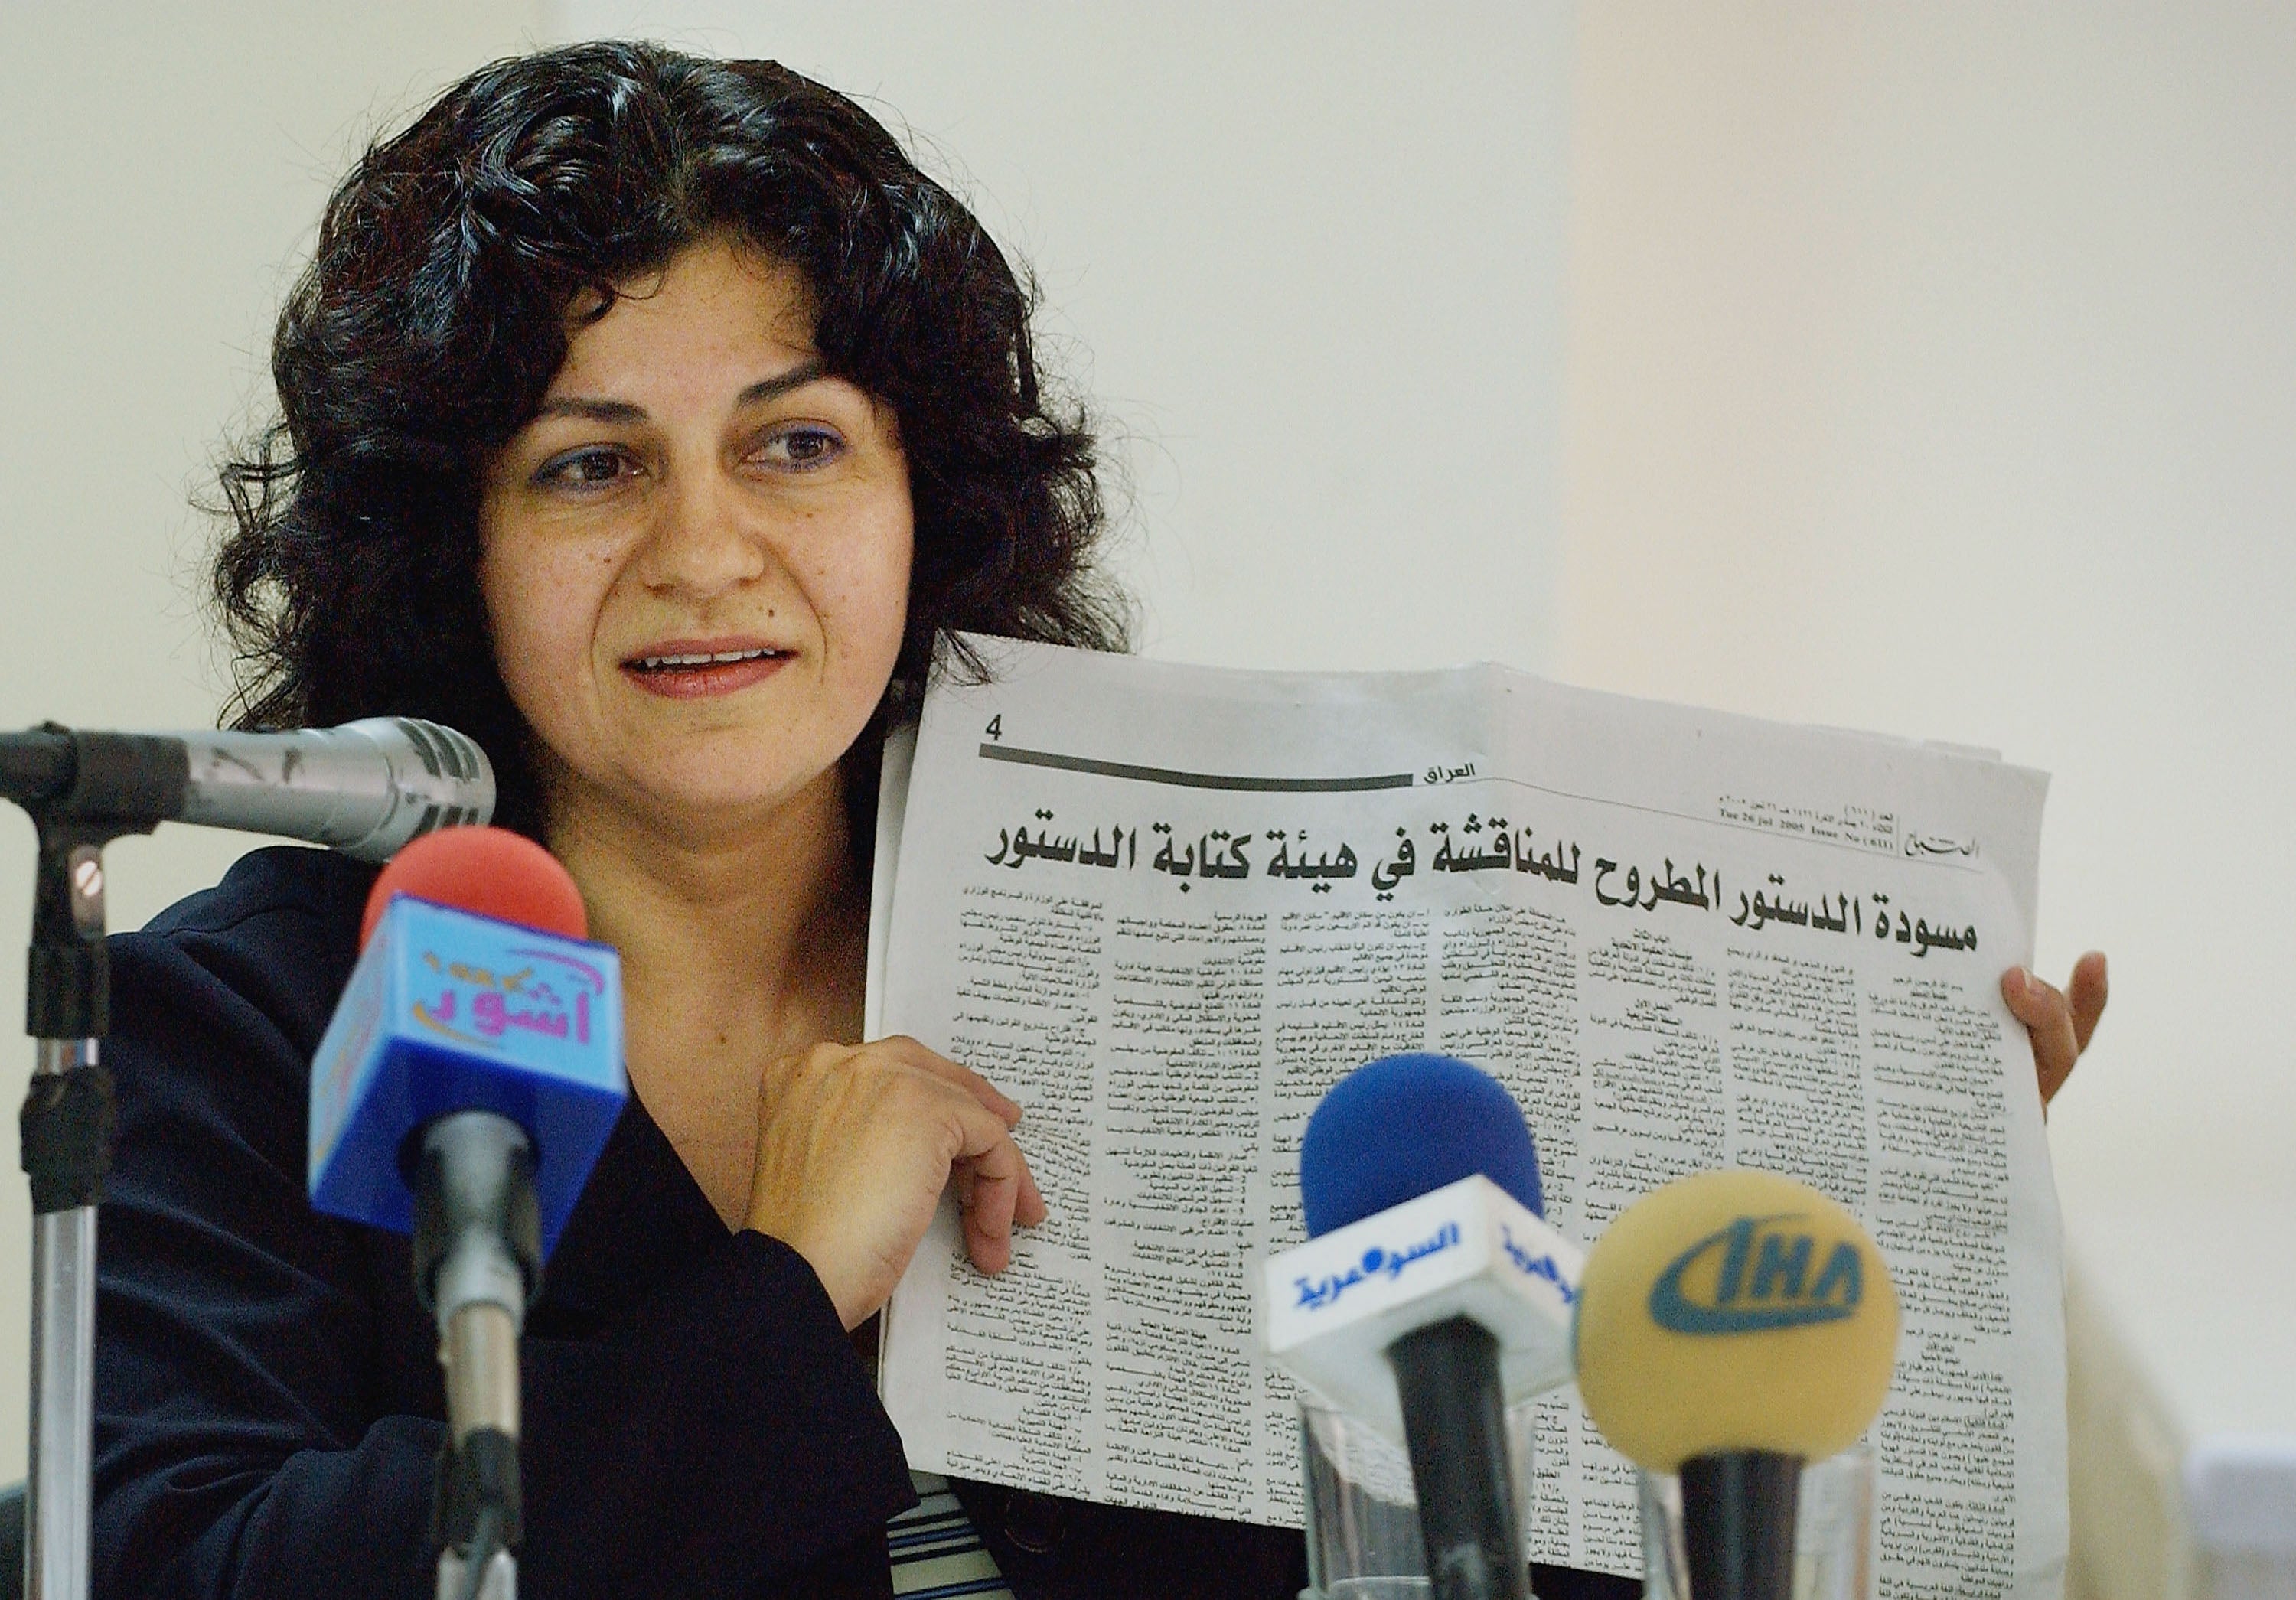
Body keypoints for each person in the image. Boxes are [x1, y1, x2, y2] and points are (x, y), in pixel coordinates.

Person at [86, 40, 2108, 1600]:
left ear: (925, 496)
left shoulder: (1167, 941)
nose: (709, 549)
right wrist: (784, 1292)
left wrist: (1848, 1227)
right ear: (447, 537)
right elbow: (197, 1570)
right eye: (588, 468)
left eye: (796, 443)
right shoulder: (249, 1014)